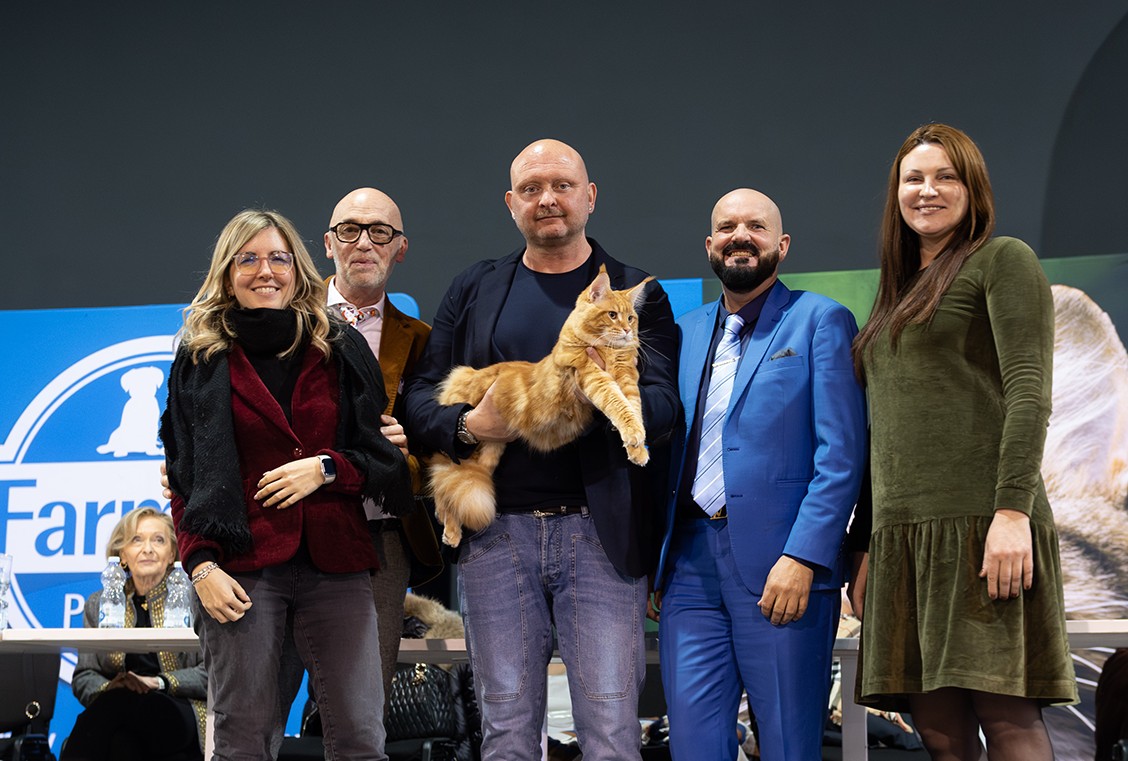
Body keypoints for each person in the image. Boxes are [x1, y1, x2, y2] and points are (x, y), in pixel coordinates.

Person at [403, 138, 679, 759]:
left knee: (610, 735)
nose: (546, 199)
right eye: (530, 189)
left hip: (599, 538)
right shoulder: (473, 287)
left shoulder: (634, 294)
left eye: (561, 185)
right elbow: (420, 398)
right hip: (495, 536)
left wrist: (591, 398)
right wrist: (470, 427)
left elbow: (662, 411)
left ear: (590, 197)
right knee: (505, 734)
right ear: (510, 204)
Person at [850, 123, 1078, 760]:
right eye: (914, 178)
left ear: (972, 187)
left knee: (1009, 724)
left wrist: (1011, 514)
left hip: (985, 530)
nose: (928, 190)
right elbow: (883, 431)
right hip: (906, 540)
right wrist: (866, 543)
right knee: (943, 740)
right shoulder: (895, 293)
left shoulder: (1002, 259)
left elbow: (1029, 390)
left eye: (945, 176)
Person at [161, 208, 413, 760]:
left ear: (298, 269)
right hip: (241, 571)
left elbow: (381, 459)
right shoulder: (200, 359)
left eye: (278, 257)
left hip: (338, 564)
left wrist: (323, 468)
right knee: (242, 741)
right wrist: (200, 565)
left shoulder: (340, 345)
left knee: (361, 740)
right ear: (227, 273)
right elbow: (183, 479)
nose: (265, 271)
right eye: (247, 259)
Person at [650, 188, 867, 760]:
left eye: (756, 226)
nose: (739, 236)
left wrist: (804, 557)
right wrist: (656, 560)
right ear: (709, 244)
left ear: (782, 245)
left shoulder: (821, 320)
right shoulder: (686, 329)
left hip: (783, 569)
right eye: (726, 226)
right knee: (693, 747)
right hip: (689, 568)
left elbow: (841, 454)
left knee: (790, 746)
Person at [63, 508, 206, 761]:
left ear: (172, 553)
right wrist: (111, 686)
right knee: (122, 743)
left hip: (181, 711)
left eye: (158, 540)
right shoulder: (98, 604)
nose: (148, 549)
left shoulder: (196, 600)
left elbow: (213, 673)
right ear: (122, 555)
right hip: (124, 715)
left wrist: (157, 682)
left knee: (119, 704)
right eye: (137, 540)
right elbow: (84, 676)